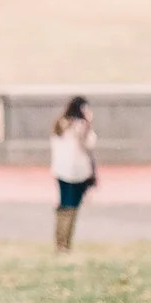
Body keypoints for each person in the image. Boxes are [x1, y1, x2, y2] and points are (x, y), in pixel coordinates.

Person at [49, 96, 96, 253]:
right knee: (71, 207)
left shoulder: (60, 124)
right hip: (76, 172)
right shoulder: (79, 127)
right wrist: (87, 126)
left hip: (61, 170)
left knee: (65, 205)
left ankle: (61, 243)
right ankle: (64, 244)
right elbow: (88, 144)